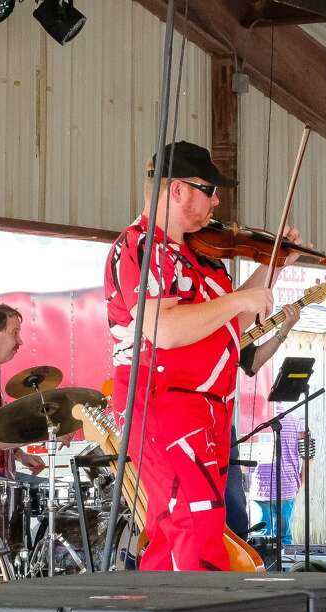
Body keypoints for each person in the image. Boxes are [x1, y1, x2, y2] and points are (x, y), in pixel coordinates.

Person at [102, 140, 301, 571]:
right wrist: (233, 303)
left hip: (210, 409)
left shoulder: (205, 259)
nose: (217, 200)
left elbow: (233, 321)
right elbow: (165, 330)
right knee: (194, 521)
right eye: (209, 190)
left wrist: (275, 264)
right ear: (177, 190)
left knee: (188, 525)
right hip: (162, 403)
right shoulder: (138, 246)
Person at [224, 304, 301, 538]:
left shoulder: (231, 336)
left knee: (235, 511)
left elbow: (253, 362)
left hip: (223, 424)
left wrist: (284, 329)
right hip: (191, 422)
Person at [0, 305, 47, 480]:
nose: (20, 341)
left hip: (0, 475)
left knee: (60, 492)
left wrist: (20, 454)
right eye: (14, 332)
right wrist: (50, 432)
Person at [247, 402, 305, 547]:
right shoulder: (295, 420)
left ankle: (264, 568)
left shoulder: (255, 420)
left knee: (261, 540)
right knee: (284, 538)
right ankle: (283, 569)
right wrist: (300, 482)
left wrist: (247, 484)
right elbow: (309, 458)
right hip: (287, 487)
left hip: (260, 489)